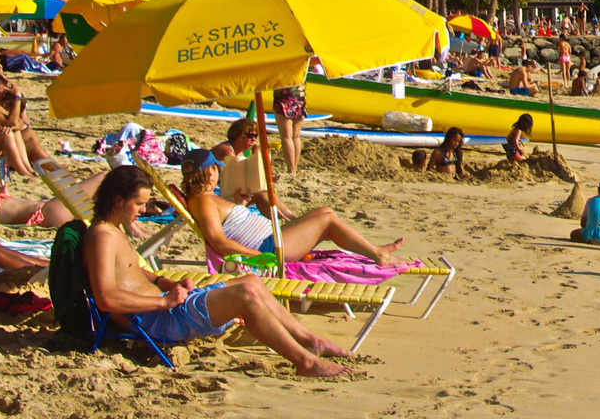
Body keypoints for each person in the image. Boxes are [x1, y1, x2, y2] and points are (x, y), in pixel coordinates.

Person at [83, 165, 353, 377]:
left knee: (251, 281)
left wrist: (164, 281)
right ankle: (305, 362)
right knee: (245, 295)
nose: (143, 211)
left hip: (165, 308)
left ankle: (309, 340)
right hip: (157, 321)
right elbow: (106, 298)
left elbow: (133, 273)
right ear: (119, 200)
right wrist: (162, 301)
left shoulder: (114, 230)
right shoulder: (102, 238)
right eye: (139, 204)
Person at [179, 152, 401, 263]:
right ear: (210, 172)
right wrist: (257, 257)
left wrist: (242, 204)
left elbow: (228, 226)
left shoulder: (206, 199)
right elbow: (218, 240)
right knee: (328, 220)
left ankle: (373, 250)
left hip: (272, 237)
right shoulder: (203, 201)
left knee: (325, 211)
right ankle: (376, 253)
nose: (218, 173)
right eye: (217, 169)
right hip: (269, 247)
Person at [0, 74, 52, 176]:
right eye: (1, 93)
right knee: (6, 134)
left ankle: (29, 169)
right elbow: (13, 122)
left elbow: (19, 122)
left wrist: (12, 126)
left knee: (23, 133)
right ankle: (23, 172)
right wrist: (17, 97)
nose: (4, 96)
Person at [271, 70, 309, 176]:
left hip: (284, 95)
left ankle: (291, 169)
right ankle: (294, 168)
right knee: (296, 137)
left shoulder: (281, 57)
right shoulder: (302, 56)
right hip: (299, 95)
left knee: (287, 136)